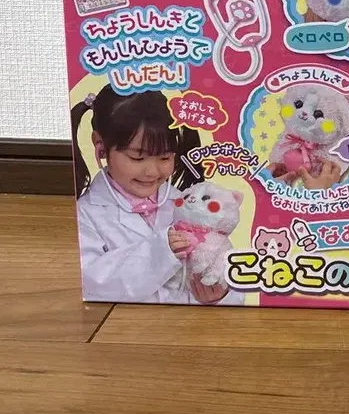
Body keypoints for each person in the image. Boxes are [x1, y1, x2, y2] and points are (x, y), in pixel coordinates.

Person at [71, 85, 241, 305]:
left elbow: (222, 260)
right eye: (137, 158)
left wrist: (218, 296)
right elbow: (92, 284)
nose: (152, 171)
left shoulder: (188, 205)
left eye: (164, 158)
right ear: (100, 146)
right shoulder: (86, 214)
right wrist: (159, 253)